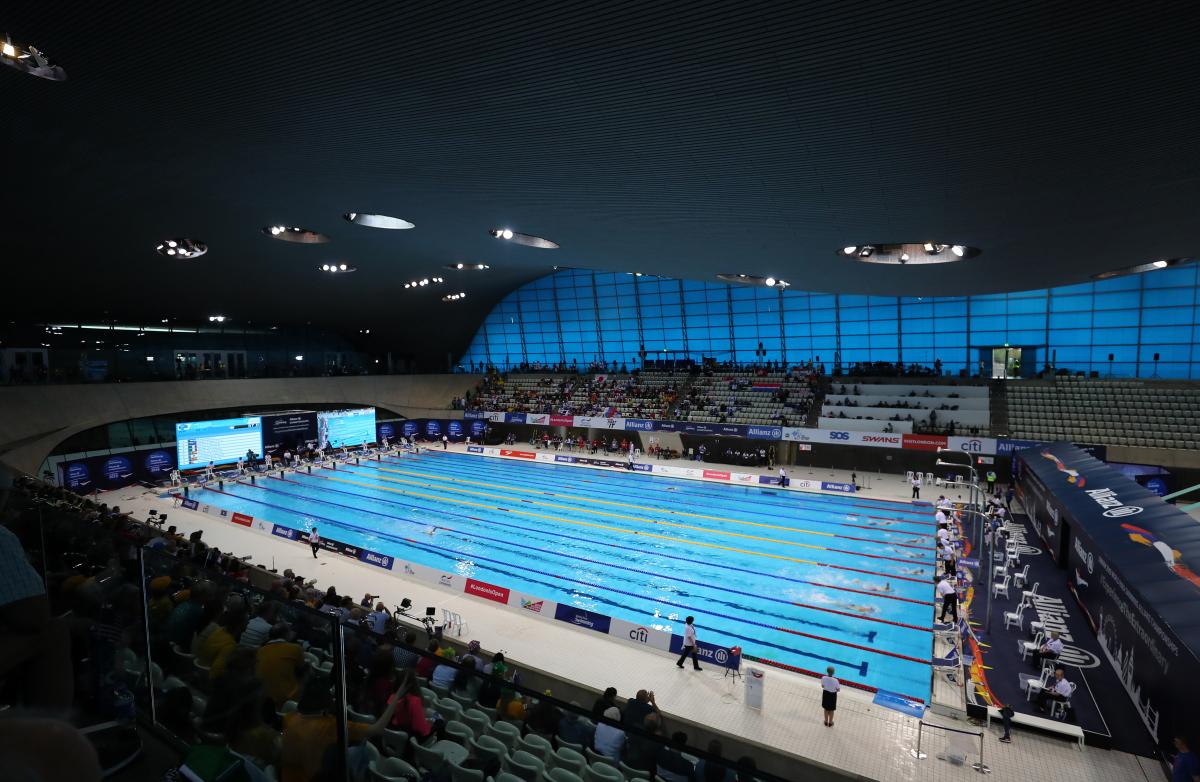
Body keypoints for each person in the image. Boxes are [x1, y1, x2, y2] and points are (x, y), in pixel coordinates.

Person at [282, 677, 404, 782]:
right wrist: (397, 696)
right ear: (325, 701)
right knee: (362, 747)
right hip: (315, 778)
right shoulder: (331, 726)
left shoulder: (289, 718)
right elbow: (377, 729)